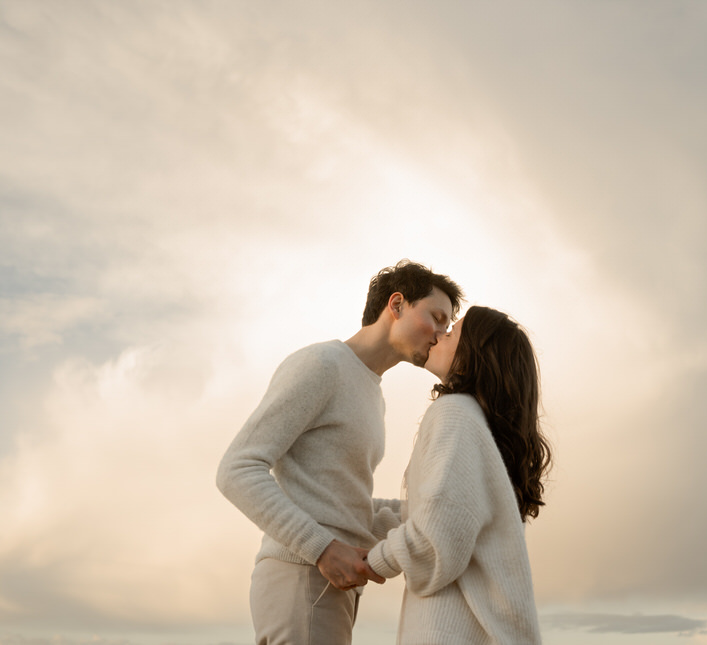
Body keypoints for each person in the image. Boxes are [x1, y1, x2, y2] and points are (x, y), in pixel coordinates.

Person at [216, 260, 463, 645]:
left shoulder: (370, 391)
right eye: (436, 317)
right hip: (303, 575)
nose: (441, 334)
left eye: (448, 327)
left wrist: (426, 509)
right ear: (396, 304)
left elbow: (344, 499)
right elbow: (237, 468)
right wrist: (322, 549)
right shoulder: (322, 365)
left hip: (331, 583)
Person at [366, 305, 552, 645]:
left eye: (452, 333)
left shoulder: (454, 414)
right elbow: (433, 515)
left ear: (474, 354)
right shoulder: (475, 424)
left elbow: (434, 541)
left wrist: (367, 563)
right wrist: (352, 513)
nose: (439, 335)